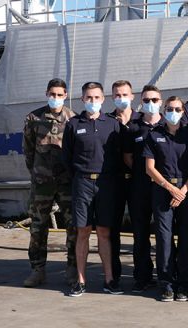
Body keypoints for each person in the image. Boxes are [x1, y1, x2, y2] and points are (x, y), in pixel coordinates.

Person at [61, 82, 122, 297]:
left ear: (103, 99)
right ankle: (80, 281)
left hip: (106, 183)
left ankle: (109, 280)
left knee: (104, 233)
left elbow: (117, 155)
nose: (93, 101)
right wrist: (80, 175)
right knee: (83, 232)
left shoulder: (112, 124)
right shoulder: (73, 124)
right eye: (89, 97)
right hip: (82, 183)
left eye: (97, 97)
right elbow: (67, 157)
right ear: (82, 99)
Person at [143, 96, 188, 301]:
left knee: (186, 239)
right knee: (164, 239)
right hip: (162, 190)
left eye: (178, 109)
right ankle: (167, 284)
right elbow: (149, 168)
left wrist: (182, 191)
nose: (174, 112)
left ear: (183, 111)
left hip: (186, 190)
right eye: (170, 108)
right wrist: (170, 188)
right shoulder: (154, 135)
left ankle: (185, 284)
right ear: (164, 109)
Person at [23, 78, 78, 288]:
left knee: (73, 225)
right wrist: (36, 173)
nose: (55, 98)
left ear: (65, 95)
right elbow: (28, 149)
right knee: (38, 227)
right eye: (52, 94)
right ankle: (38, 270)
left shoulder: (73, 119)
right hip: (41, 183)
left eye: (59, 94)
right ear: (47, 94)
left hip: (66, 182)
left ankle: (72, 268)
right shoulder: (34, 118)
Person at [123, 84, 165, 292]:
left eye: (154, 100)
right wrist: (144, 171)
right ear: (141, 102)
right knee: (140, 233)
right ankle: (142, 275)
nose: (150, 104)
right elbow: (128, 156)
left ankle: (166, 273)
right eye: (146, 100)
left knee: (164, 232)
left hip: (163, 186)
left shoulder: (169, 125)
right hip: (139, 185)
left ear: (161, 102)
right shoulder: (133, 127)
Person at [105, 80, 142, 283]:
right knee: (112, 230)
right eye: (117, 95)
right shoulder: (107, 121)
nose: (121, 98)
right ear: (112, 98)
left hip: (137, 181)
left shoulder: (141, 120)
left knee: (140, 228)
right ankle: (114, 274)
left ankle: (141, 274)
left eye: (125, 94)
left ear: (132, 96)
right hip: (114, 182)